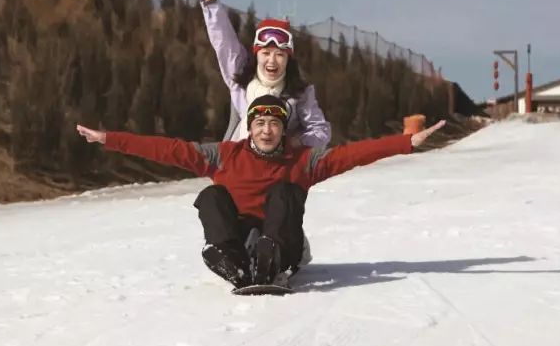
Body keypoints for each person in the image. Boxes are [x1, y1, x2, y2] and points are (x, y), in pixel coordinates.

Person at [76, 95, 446, 289]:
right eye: (259, 122)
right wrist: (110, 139)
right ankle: (229, 259)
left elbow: (352, 154)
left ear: (283, 130)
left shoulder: (303, 160)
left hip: (282, 240)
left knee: (285, 193)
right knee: (211, 197)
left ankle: (273, 262)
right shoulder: (224, 156)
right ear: (249, 128)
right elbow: (168, 149)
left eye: (273, 123)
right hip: (239, 235)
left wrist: (406, 142)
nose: (266, 130)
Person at [197, 0, 331, 149]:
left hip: (278, 167)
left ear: (288, 59)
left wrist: (296, 142)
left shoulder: (299, 93)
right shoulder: (241, 79)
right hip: (240, 163)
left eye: (280, 54)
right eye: (266, 53)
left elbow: (321, 130)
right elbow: (224, 43)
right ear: (257, 55)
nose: (272, 61)